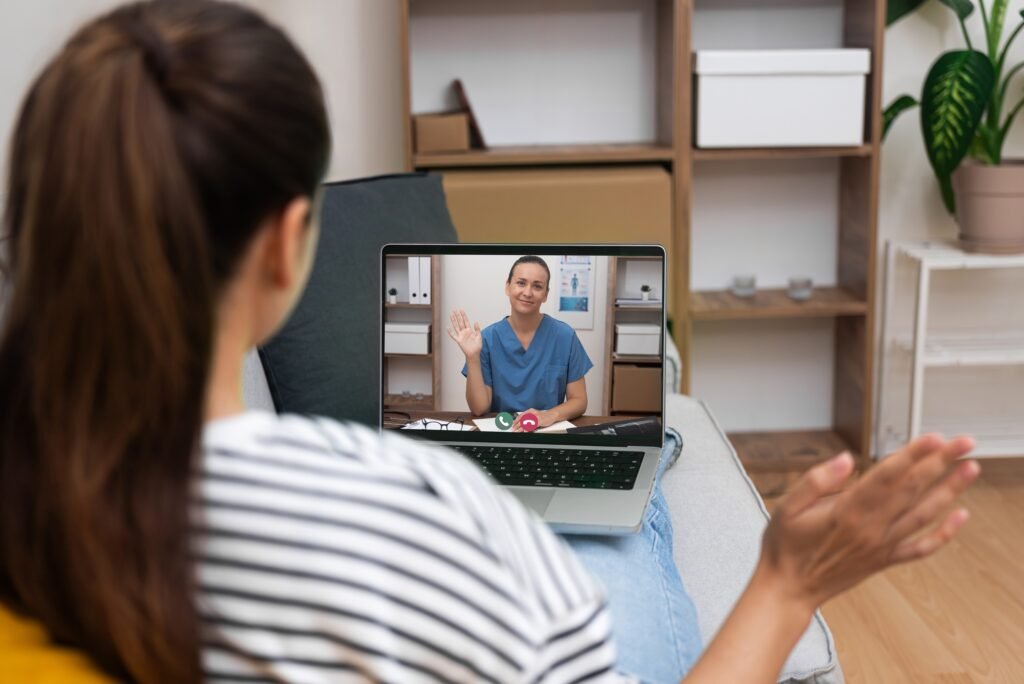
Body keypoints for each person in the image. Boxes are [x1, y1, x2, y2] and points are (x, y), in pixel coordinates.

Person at [0, 2, 980, 683]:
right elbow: (478, 413)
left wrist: (534, 410)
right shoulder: (410, 515)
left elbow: (535, 404)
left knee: (608, 448)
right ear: (288, 245)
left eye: (529, 283)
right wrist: (786, 581)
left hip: (516, 453)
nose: (522, 288)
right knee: (637, 461)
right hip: (489, 493)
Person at [449, 255, 592, 431]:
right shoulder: (486, 339)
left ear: (546, 294)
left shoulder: (565, 336)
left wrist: (549, 415)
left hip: (547, 432)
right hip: (502, 432)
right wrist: (472, 357)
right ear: (508, 287)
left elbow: (579, 400)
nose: (528, 292)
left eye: (537, 286)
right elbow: (479, 409)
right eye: (521, 283)